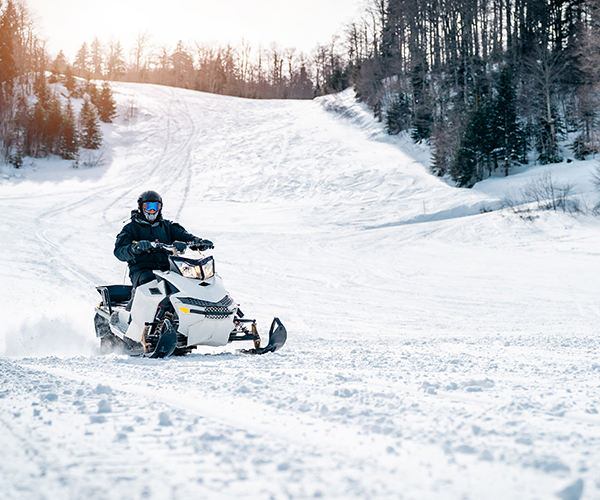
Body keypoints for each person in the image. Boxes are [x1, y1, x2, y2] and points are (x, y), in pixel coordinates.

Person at [114, 190, 213, 296]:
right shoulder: (131, 228)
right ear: (141, 207)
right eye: (148, 207)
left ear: (160, 208)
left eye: (155, 207)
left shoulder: (167, 226)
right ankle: (136, 309)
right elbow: (119, 251)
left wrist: (198, 242)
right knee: (151, 284)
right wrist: (135, 248)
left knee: (189, 283)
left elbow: (185, 236)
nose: (152, 210)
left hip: (169, 268)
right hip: (142, 269)